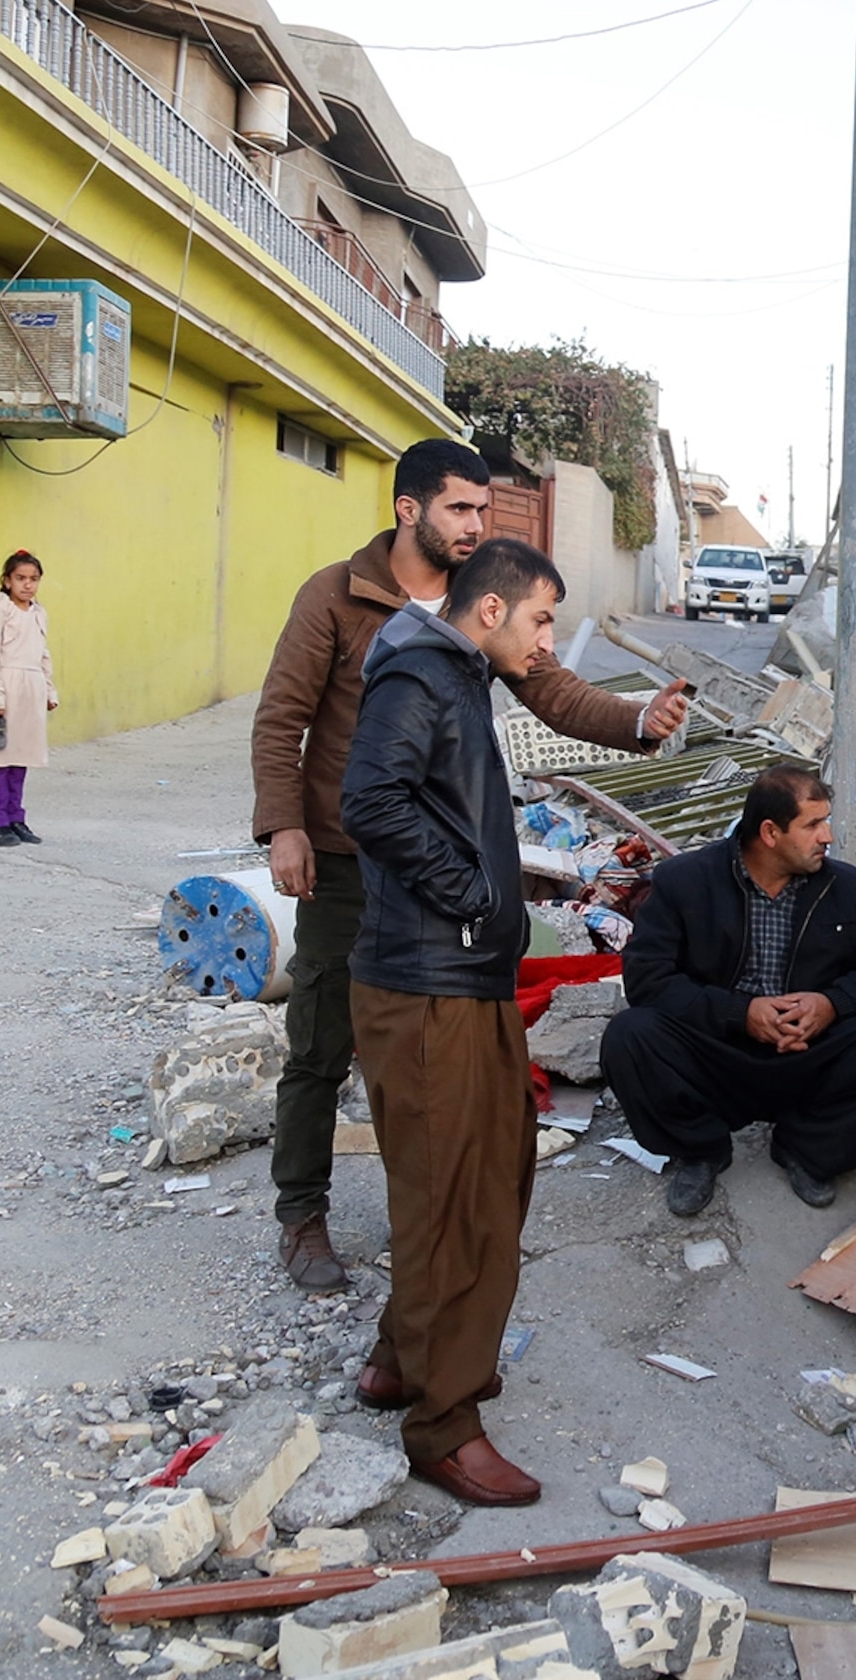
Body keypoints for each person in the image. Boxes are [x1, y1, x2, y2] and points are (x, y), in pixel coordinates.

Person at [250, 438, 689, 1294]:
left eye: (483, 509)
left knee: (430, 1064)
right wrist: (284, 828)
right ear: (408, 509)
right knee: (321, 1043)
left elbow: (552, 687)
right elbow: (281, 719)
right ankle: (302, 1213)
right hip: (348, 861)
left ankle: (426, 1229)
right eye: (460, 508)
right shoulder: (338, 597)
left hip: (436, 886)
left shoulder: (478, 599)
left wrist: (639, 721)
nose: (476, 523)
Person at [335, 536, 573, 1507]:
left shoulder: (457, 673)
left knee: (488, 1172)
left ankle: (402, 1357)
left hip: (460, 977)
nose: (549, 641)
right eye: (543, 618)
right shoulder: (423, 675)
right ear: (490, 609)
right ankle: (442, 1423)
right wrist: (472, 895)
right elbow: (371, 799)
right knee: (454, 1205)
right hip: (429, 979)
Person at [603, 767, 856, 1220]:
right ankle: (700, 1149)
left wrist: (830, 1005)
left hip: (808, 1053)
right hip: (716, 1052)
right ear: (770, 832)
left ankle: (808, 1150)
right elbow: (647, 980)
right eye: (812, 825)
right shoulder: (684, 881)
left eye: (826, 821)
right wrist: (740, 1013)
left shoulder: (843, 886)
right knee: (629, 1036)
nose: (827, 837)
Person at [0, 550, 56, 847]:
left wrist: (49, 689)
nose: (27, 585)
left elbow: (42, 653)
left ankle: (15, 817)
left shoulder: (38, 613)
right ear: (7, 580)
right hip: (6, 687)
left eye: (33, 579)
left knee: (21, 754)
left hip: (31, 687)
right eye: (20, 578)